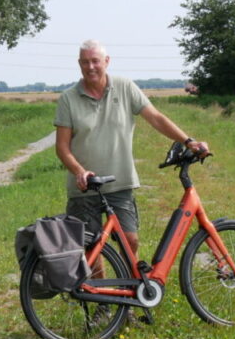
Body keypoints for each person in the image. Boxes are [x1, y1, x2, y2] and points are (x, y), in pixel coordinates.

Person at [55, 39, 209, 258]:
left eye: (95, 61)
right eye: (85, 62)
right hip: (84, 187)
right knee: (91, 249)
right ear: (79, 64)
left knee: (130, 240)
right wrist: (80, 172)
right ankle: (99, 291)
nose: (91, 67)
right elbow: (62, 146)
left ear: (106, 61)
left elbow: (156, 118)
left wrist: (188, 141)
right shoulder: (68, 99)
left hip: (120, 181)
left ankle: (128, 289)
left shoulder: (125, 87)